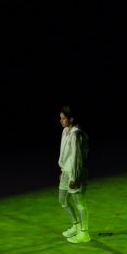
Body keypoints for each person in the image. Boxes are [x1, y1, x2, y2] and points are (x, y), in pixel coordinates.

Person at [58, 104, 90, 243]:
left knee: (79, 203)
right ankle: (76, 226)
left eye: (63, 118)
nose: (61, 121)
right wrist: (62, 170)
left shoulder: (77, 134)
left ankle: (84, 233)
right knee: (63, 200)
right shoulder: (65, 131)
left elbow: (77, 158)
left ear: (71, 119)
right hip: (66, 172)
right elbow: (66, 155)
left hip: (76, 174)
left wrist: (74, 177)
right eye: (61, 118)